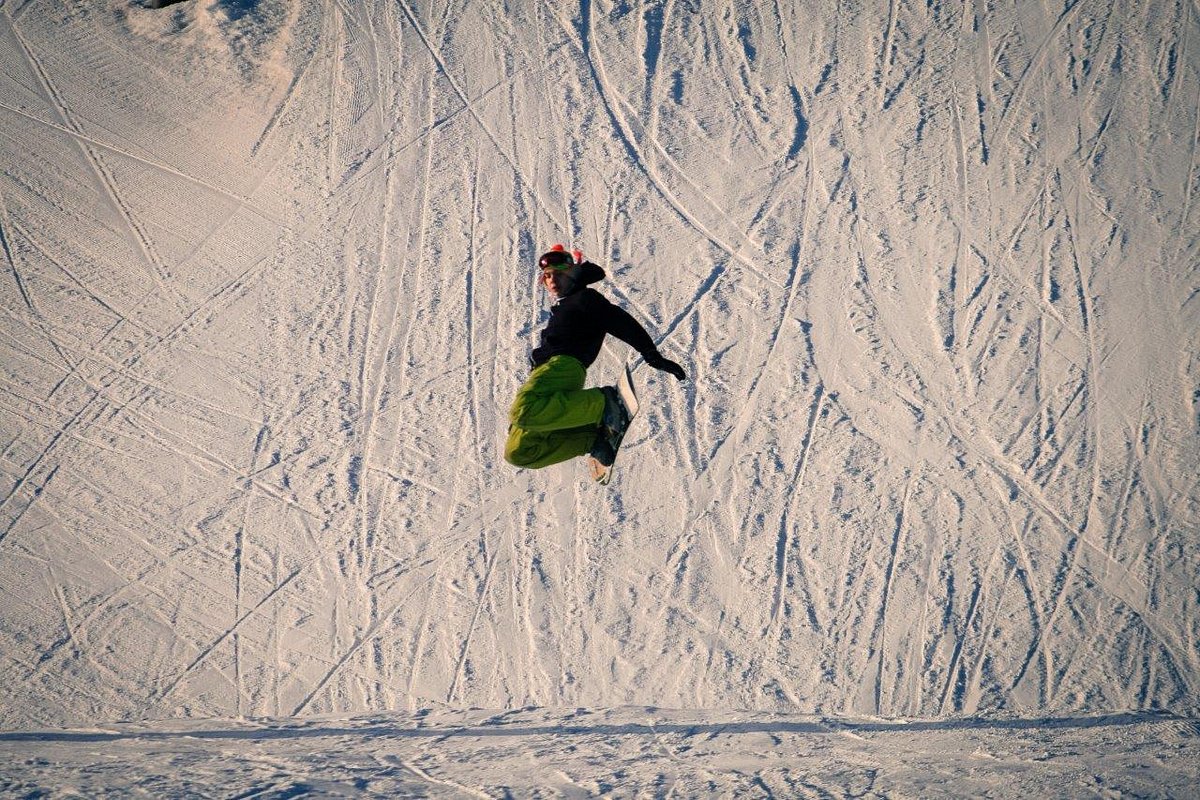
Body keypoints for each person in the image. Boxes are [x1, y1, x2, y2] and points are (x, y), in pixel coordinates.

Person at [504, 245, 687, 470]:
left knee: (523, 411)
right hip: (544, 376)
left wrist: (651, 354)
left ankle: (605, 402)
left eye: (559, 274)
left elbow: (619, 321)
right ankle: (592, 439)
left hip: (563, 365)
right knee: (518, 452)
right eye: (548, 276)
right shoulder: (562, 306)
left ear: (574, 272)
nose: (552, 280)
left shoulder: (584, 298)